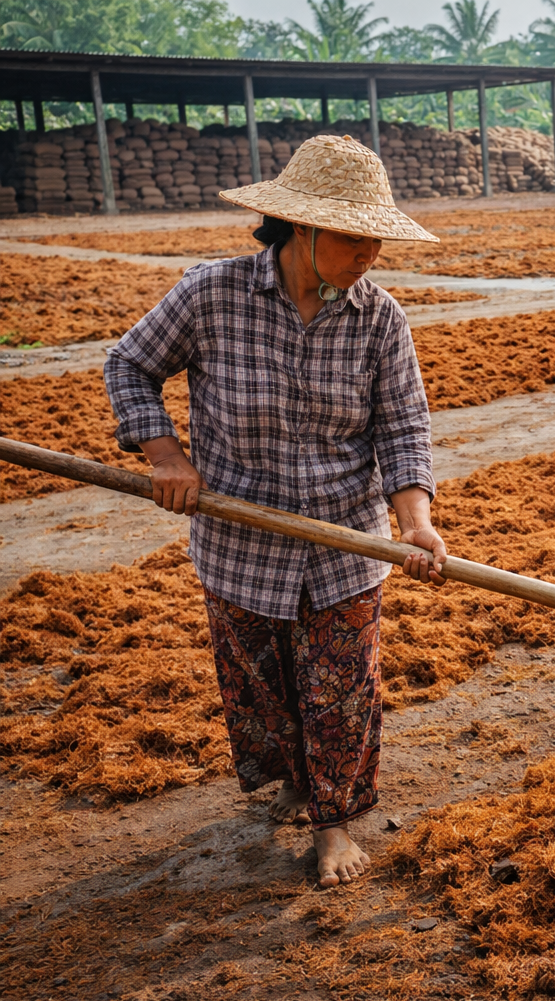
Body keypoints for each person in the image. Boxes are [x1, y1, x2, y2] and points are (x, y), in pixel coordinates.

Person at [104, 135, 445, 888]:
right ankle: (298, 779)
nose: (370, 255)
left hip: (345, 542)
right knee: (262, 685)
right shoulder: (211, 295)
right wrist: (164, 454)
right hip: (239, 543)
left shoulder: (378, 318)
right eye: (355, 239)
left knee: (341, 688)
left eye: (376, 239)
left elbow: (403, 425)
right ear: (302, 229)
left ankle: (335, 825)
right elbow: (130, 365)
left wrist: (415, 519)